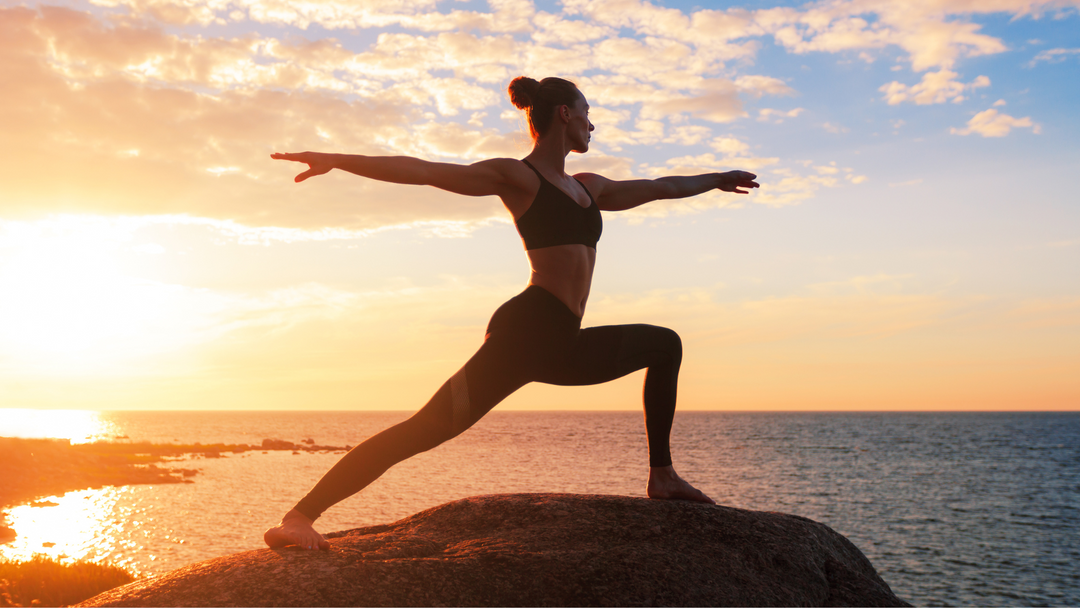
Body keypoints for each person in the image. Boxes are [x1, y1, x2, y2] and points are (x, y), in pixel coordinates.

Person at [265, 76, 759, 551]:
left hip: (563, 343)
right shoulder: (517, 177)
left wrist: (717, 179)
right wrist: (334, 159)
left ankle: (663, 476)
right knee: (427, 429)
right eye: (588, 115)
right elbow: (421, 169)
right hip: (524, 336)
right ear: (564, 115)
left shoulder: (591, 188)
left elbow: (659, 186)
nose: (593, 125)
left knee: (664, 343)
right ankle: (299, 517)